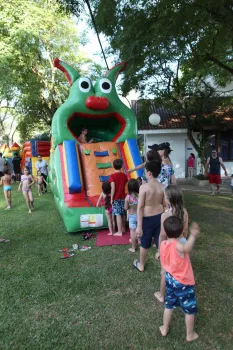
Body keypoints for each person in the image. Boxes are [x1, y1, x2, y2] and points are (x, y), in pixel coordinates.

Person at [159, 217, 199, 342]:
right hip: (183, 283)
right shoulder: (178, 246)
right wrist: (193, 235)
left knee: (169, 304)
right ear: (182, 231)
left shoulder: (163, 244)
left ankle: (165, 328)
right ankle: (189, 334)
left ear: (165, 232)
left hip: (170, 279)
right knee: (189, 309)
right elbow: (187, 248)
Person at [154, 185, 189, 303]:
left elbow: (162, 235)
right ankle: (182, 291)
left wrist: (159, 250)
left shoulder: (165, 215)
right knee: (181, 269)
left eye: (165, 196)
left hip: (169, 246)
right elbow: (185, 231)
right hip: (182, 242)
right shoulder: (184, 212)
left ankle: (161, 295)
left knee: (165, 271)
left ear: (168, 199)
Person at [133, 155, 166, 272]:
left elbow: (140, 207)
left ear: (149, 173)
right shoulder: (163, 187)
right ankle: (164, 267)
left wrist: (139, 226)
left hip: (147, 220)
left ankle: (141, 265)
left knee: (145, 244)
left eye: (146, 171)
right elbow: (165, 205)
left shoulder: (144, 187)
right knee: (160, 242)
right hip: (159, 217)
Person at [109, 159, 128, 236]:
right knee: (123, 213)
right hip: (123, 197)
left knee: (118, 214)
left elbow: (113, 188)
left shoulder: (112, 176)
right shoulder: (124, 176)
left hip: (116, 198)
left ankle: (119, 231)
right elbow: (125, 186)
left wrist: (111, 198)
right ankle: (123, 228)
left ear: (113, 166)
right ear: (121, 166)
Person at [124, 179, 139, 252]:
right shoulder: (140, 196)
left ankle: (133, 247)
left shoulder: (128, 197)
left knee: (132, 232)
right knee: (140, 229)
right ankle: (140, 242)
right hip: (139, 215)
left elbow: (126, 208)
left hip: (132, 216)